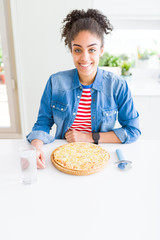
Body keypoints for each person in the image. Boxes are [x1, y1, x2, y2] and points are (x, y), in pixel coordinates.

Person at [27, 9, 141, 169]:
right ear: (71, 50)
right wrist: (36, 149)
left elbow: (132, 131)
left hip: (100, 159)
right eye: (78, 49)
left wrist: (88, 137)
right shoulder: (55, 82)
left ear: (101, 50)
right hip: (63, 157)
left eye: (92, 49)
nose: (84, 57)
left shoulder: (117, 85)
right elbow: (43, 123)